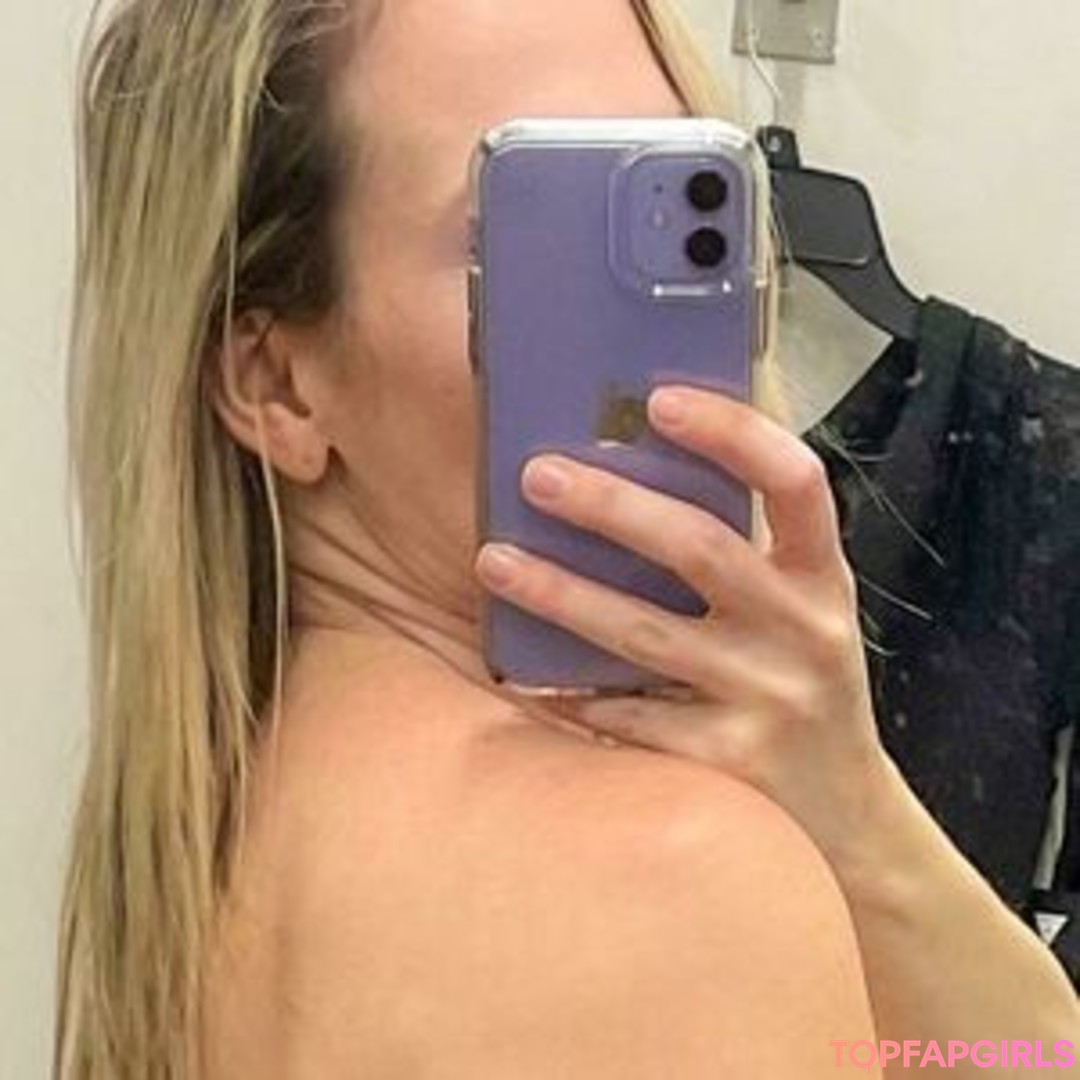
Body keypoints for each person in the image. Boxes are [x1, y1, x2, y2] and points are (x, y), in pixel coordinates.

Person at [55, 0, 1079, 1077]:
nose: (655, 323)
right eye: (530, 230)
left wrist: (859, 822)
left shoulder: (197, 847)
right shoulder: (676, 882)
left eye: (679, 186)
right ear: (276, 384)